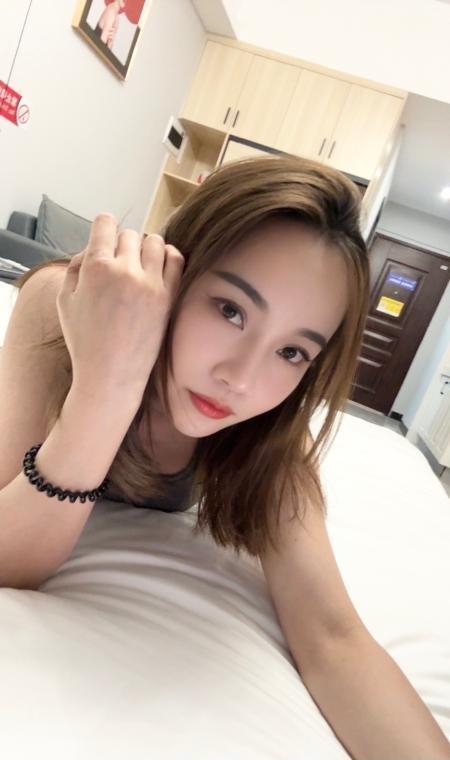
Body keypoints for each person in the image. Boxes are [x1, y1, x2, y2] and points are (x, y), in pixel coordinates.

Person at [3, 156, 450, 760]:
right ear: (176, 270)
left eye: (292, 352)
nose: (241, 379)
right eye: (231, 310)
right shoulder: (61, 308)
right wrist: (109, 383)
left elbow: (333, 639)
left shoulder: (269, 433)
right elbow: (8, 564)